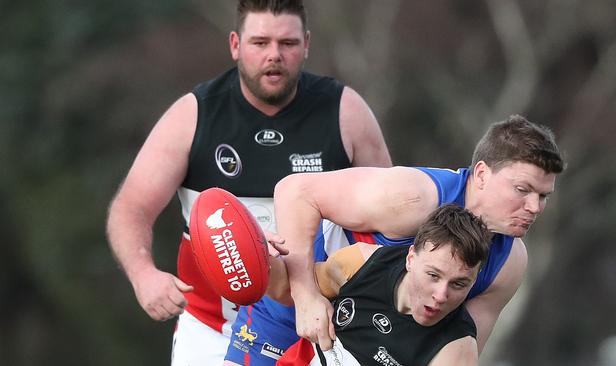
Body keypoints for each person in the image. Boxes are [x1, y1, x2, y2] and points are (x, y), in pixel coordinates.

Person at [105, 0, 392, 364]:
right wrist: (143, 274)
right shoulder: (194, 116)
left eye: (287, 43)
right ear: (235, 45)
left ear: (306, 44)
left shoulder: (345, 112)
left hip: (322, 325)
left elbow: (388, 216)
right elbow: (131, 207)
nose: (274, 55)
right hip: (214, 328)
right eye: (260, 42)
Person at [273, 115, 566, 355]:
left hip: (362, 347)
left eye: (543, 196)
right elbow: (295, 192)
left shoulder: (509, 263)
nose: (534, 207)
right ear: (481, 174)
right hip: (293, 302)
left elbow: (457, 350)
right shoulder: (412, 197)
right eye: (522, 190)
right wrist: (306, 297)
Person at [258, 204, 491, 366]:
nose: (441, 295)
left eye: (459, 284)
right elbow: (285, 289)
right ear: (411, 259)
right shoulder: (361, 264)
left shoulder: (455, 351)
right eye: (433, 275)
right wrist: (257, 253)